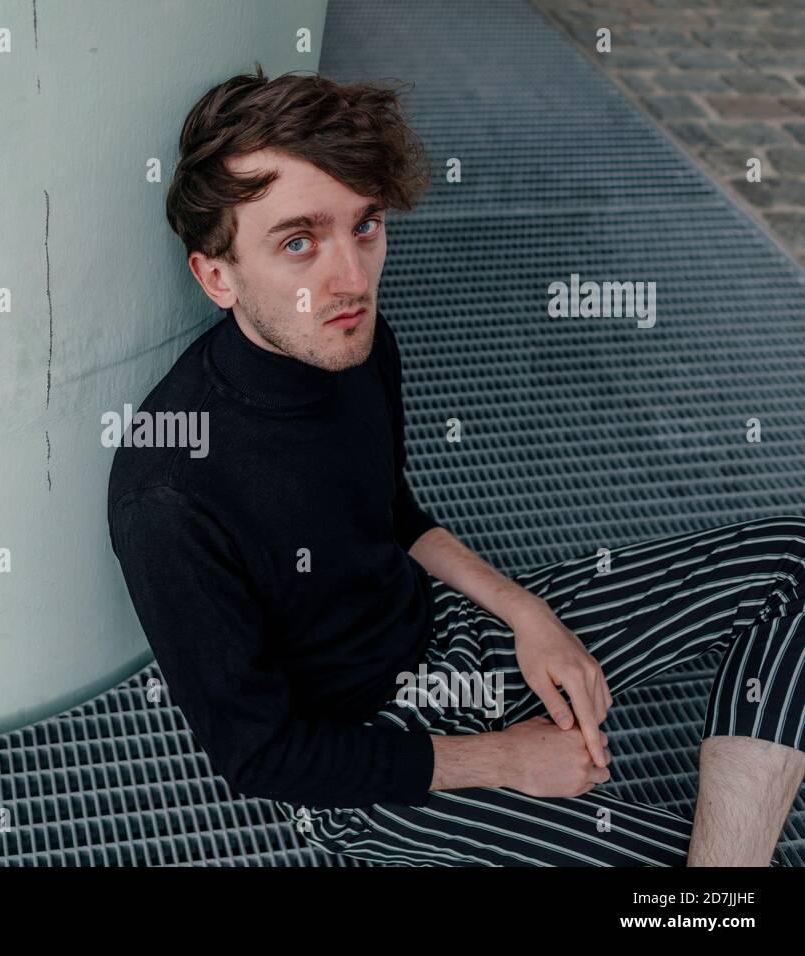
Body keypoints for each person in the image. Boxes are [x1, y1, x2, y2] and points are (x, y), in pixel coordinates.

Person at [106, 63, 805, 866]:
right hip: (365, 766)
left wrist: (526, 613)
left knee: (794, 565)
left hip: (448, 637)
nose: (351, 278)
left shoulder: (356, 345)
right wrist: (508, 756)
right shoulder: (168, 493)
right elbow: (260, 755)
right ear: (216, 275)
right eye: (299, 241)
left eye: (364, 226)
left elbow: (391, 512)